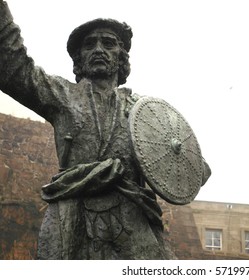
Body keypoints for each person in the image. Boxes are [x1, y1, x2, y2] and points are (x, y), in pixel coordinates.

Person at [0, 1, 210, 259]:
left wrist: (184, 163)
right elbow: (13, 67)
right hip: (72, 219)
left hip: (132, 223)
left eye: (108, 43)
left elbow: (188, 168)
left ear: (121, 57)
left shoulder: (143, 113)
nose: (99, 49)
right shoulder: (62, 96)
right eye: (90, 44)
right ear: (79, 58)